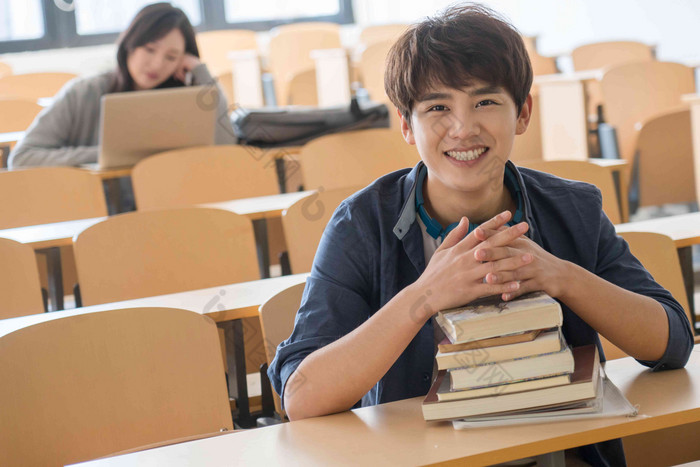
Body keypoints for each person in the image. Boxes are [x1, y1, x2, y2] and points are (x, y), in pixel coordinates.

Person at [268, 4, 693, 465]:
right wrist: (425, 297)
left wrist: (561, 277)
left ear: (523, 112)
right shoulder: (360, 225)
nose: (463, 128)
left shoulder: (573, 208)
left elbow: (671, 343)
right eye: (437, 108)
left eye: (486, 102)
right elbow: (301, 397)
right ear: (407, 125)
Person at [9, 2, 236, 169]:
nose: (156, 63)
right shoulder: (82, 93)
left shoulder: (184, 97)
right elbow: (22, 158)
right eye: (149, 49)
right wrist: (106, 155)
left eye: (171, 56)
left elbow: (226, 148)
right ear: (130, 44)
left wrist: (201, 73)